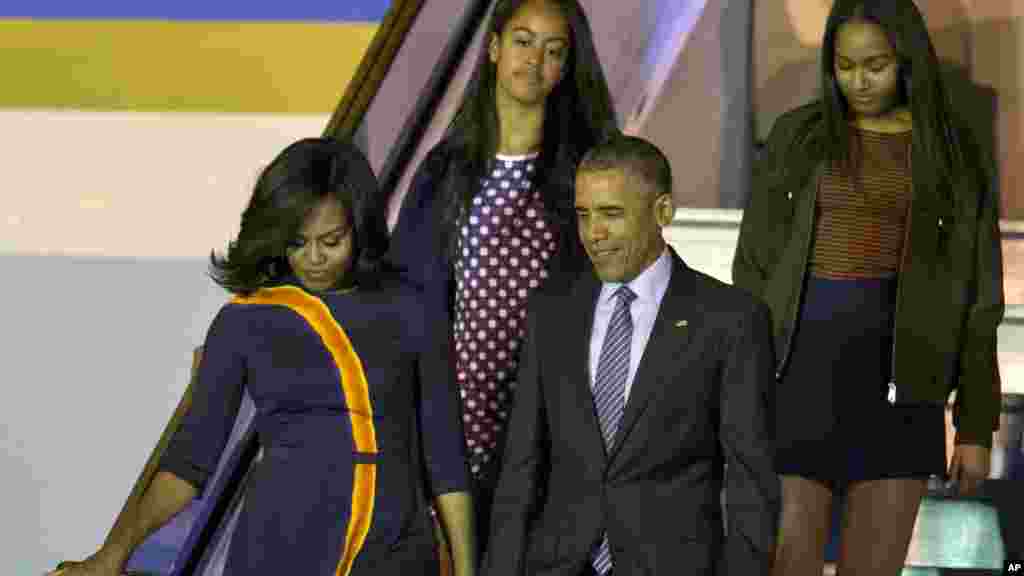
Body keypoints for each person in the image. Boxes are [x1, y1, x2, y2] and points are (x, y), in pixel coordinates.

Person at [52, 138, 475, 576]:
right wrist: (113, 554)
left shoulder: (412, 309)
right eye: (297, 242)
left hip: (392, 552)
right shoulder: (244, 321)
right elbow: (189, 462)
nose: (314, 259)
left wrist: (466, 570)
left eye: (332, 240)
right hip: (276, 548)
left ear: (360, 226)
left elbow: (446, 461)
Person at [732, 1, 1004, 574]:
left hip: (901, 396)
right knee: (784, 562)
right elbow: (753, 272)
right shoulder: (797, 137)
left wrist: (975, 427)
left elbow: (979, 304)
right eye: (844, 65)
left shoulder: (952, 153)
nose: (858, 81)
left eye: (875, 64)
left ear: (906, 60)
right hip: (796, 387)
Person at [484, 135, 779, 576]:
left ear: (662, 212)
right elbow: (521, 468)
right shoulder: (552, 312)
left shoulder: (730, 320)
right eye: (583, 215)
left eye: (611, 214)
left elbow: (749, 484)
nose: (593, 234)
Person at [387, 0, 617, 552]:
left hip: (548, 424)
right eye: (522, 40)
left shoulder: (585, 176)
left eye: (553, 49)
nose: (534, 59)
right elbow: (404, 299)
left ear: (566, 68)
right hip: (450, 425)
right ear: (492, 49)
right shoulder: (444, 172)